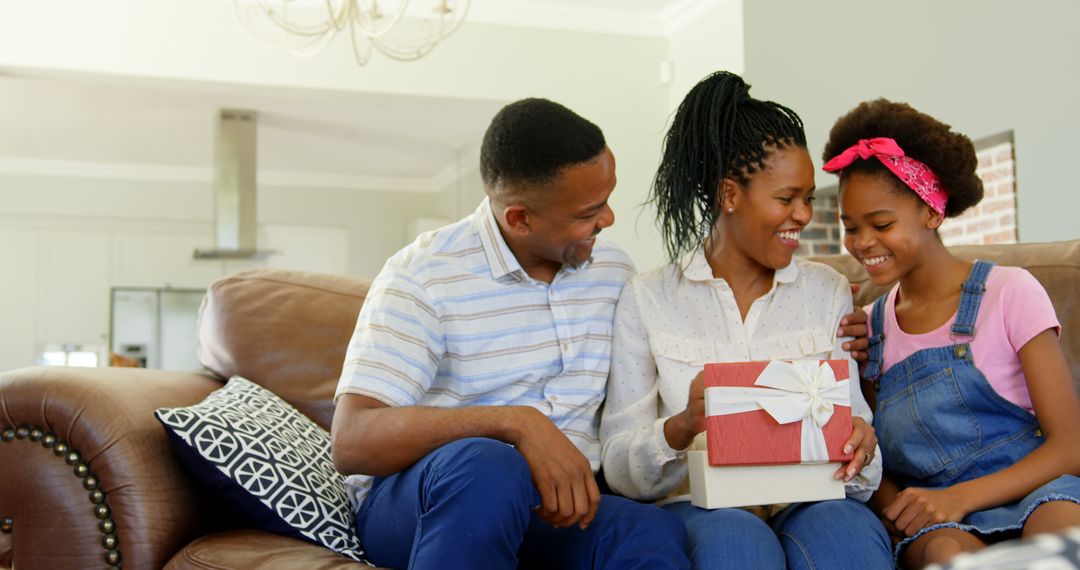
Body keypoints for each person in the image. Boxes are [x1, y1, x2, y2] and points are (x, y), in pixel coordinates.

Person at [330, 98, 692, 570]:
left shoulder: (613, 271)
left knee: (648, 530)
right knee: (488, 467)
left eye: (607, 199)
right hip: (433, 505)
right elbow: (352, 440)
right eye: (589, 211)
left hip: (557, 509)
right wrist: (515, 423)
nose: (608, 220)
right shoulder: (423, 276)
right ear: (519, 218)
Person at [599, 70, 892, 569]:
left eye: (809, 198)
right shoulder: (647, 298)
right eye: (786, 198)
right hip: (701, 507)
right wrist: (681, 427)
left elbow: (860, 447)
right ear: (730, 195)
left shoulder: (827, 292)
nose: (803, 215)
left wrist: (862, 445)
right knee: (737, 546)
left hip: (811, 502)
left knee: (846, 538)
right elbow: (621, 468)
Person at [823, 98, 1080, 569]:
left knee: (1061, 530)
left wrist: (961, 496)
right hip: (943, 521)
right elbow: (869, 453)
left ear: (932, 213)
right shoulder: (869, 329)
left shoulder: (1009, 292)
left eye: (881, 224)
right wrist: (901, 509)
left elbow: (1072, 445)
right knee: (943, 553)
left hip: (1038, 491)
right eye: (851, 227)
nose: (861, 242)